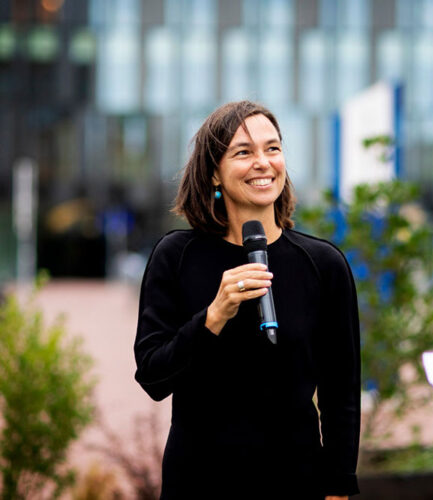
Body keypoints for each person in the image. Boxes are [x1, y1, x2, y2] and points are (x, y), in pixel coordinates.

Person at [134, 101, 361, 499]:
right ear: (213, 174)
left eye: (272, 149)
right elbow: (153, 376)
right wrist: (214, 315)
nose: (263, 162)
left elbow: (341, 393)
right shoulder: (176, 256)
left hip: (296, 480)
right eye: (243, 152)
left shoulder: (323, 264)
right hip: (200, 481)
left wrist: (339, 486)